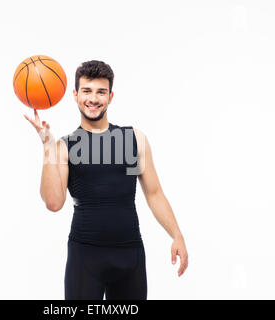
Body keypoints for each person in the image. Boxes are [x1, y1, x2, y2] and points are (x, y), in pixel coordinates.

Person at [24, 60, 188, 300]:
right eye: (87, 91)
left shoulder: (133, 139)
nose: (93, 98)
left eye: (101, 92)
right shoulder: (64, 146)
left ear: (110, 97)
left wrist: (177, 234)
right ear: (75, 95)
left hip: (129, 255)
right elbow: (54, 202)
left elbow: (154, 193)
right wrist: (47, 146)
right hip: (85, 258)